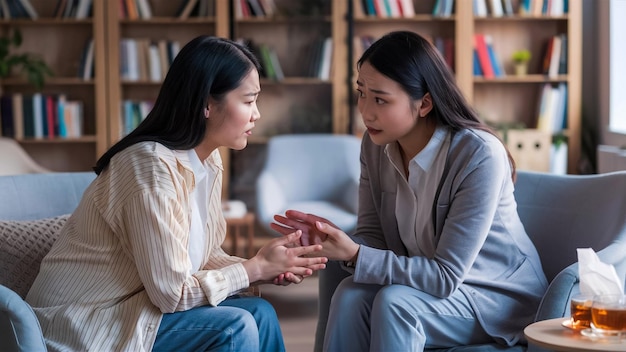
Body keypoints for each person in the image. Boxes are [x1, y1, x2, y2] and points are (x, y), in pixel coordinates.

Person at [26, 35, 327, 352]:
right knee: (233, 328)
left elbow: (201, 260)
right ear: (206, 104)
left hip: (136, 309)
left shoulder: (207, 162)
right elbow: (171, 294)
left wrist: (264, 269)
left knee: (261, 313)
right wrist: (254, 268)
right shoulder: (149, 166)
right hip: (85, 324)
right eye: (249, 100)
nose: (257, 114)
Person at [271, 31, 548, 351]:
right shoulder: (375, 146)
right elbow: (373, 237)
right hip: (425, 288)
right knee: (350, 294)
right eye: (361, 93)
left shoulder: (478, 155)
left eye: (380, 99)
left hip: (495, 298)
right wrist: (330, 239)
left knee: (395, 303)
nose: (365, 111)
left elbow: (445, 276)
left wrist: (356, 254)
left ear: (424, 103)